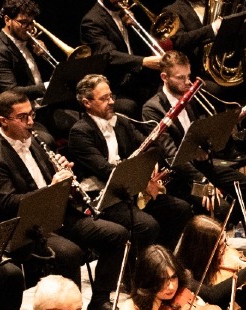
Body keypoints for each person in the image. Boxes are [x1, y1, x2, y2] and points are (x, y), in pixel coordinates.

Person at [0, 90, 131, 310]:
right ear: (3, 121)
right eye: (22, 117)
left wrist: (64, 178)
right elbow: (7, 202)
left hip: (61, 215)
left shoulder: (41, 139)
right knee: (69, 253)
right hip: (30, 228)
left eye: (32, 114)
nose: (30, 121)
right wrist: (51, 188)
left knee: (117, 234)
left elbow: (57, 186)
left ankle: (99, 302)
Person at [67, 73, 193, 251]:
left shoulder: (121, 120)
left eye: (111, 96)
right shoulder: (80, 132)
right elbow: (106, 170)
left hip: (131, 190)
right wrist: (141, 180)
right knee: (147, 226)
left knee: (181, 209)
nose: (111, 102)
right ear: (87, 103)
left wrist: (150, 165)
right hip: (105, 197)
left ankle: (163, 256)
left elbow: (150, 147)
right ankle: (140, 265)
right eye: (104, 98)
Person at [142, 50, 246, 214]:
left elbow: (198, 134)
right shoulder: (152, 109)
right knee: (221, 209)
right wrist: (202, 180)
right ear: (164, 77)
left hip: (202, 167)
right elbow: (171, 155)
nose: (187, 82)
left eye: (188, 76)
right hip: (181, 178)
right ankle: (217, 223)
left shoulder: (190, 97)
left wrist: (212, 141)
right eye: (180, 78)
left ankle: (229, 222)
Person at [79, 0, 162, 118]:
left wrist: (135, 27)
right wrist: (143, 61)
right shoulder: (91, 21)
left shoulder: (123, 13)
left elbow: (134, 48)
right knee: (129, 106)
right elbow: (109, 55)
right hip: (117, 85)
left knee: (168, 85)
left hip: (136, 77)